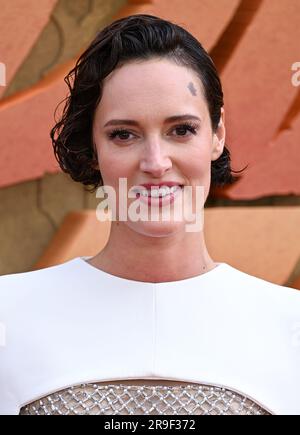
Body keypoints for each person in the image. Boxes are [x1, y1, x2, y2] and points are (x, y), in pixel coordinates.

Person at [0, 14, 299, 416]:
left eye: (181, 130)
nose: (156, 163)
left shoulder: (289, 327)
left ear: (218, 134)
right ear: (92, 148)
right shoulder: (9, 316)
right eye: (124, 134)